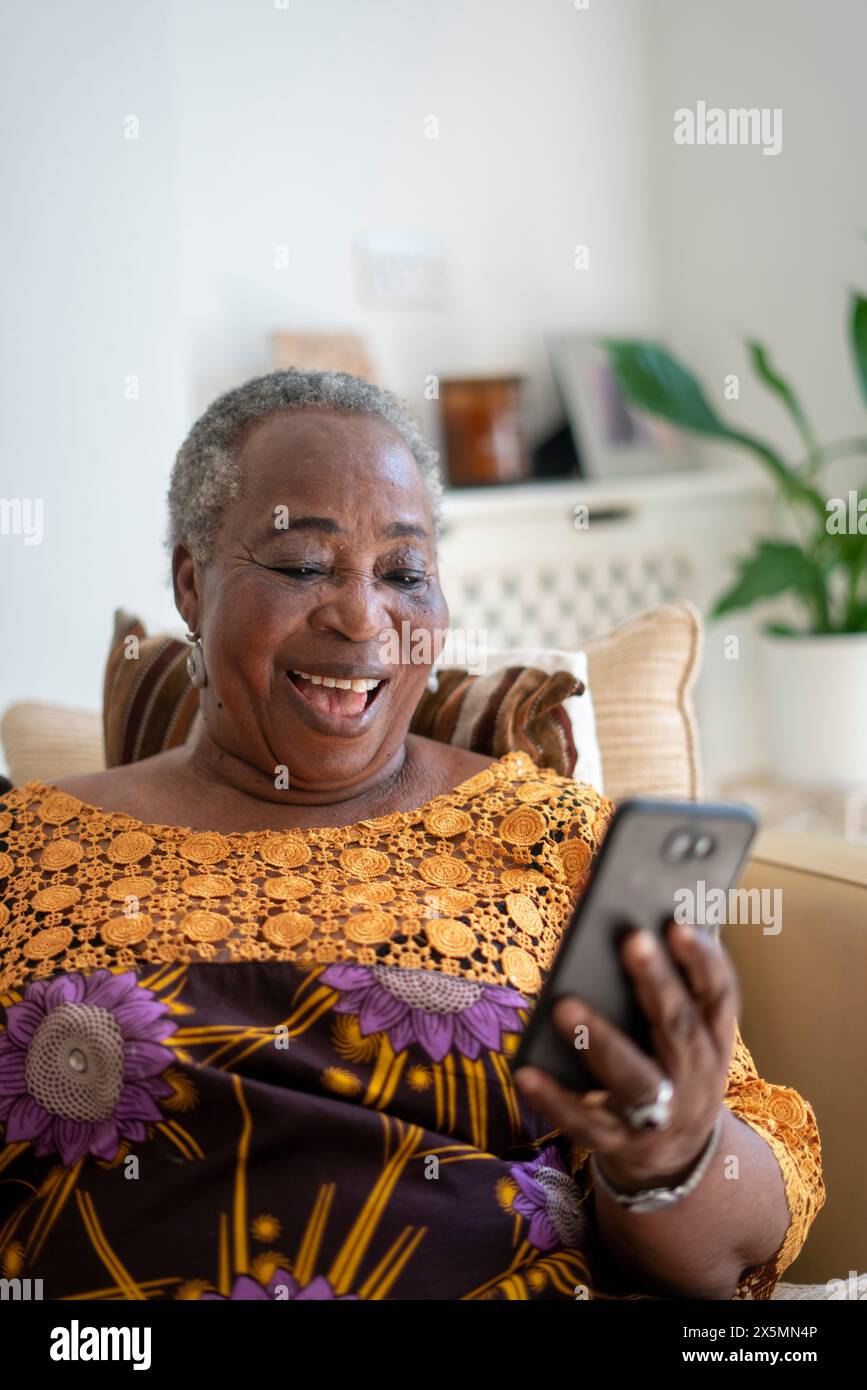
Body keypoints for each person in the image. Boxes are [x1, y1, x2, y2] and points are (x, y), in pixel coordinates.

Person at [0, 370, 824, 1300]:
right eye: (305, 566)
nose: (362, 618)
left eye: (403, 574)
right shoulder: (22, 851)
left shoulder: (555, 839)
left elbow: (728, 1248)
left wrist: (672, 1157)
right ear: (193, 585)